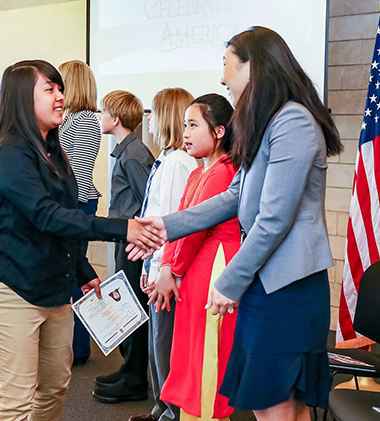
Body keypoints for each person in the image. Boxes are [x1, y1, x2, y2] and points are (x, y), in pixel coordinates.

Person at [133, 27, 343, 421]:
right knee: (274, 405)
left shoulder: (292, 122)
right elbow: (234, 197)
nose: (222, 78)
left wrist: (230, 280)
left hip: (287, 287)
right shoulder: (268, 123)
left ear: (254, 66)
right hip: (268, 283)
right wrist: (164, 226)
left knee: (275, 405)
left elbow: (274, 218)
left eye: (227, 64)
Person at [0, 60, 162, 421]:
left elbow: (62, 221)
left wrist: (82, 269)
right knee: (14, 402)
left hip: (54, 287)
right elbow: (45, 214)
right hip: (9, 287)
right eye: (50, 89)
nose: (61, 97)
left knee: (54, 389)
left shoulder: (54, 150)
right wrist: (124, 228)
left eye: (60, 89)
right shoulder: (8, 151)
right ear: (23, 99)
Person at [152, 94, 240, 421]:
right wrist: (166, 267)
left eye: (193, 125)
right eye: (184, 125)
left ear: (219, 132)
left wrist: (170, 270)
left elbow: (194, 231)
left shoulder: (222, 171)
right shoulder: (197, 172)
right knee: (191, 351)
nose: (185, 133)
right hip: (196, 267)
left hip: (215, 263)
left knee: (207, 355)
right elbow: (181, 223)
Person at [129, 87, 197, 421]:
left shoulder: (176, 164)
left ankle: (170, 412)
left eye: (153, 113)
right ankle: (161, 408)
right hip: (156, 264)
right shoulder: (167, 159)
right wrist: (146, 264)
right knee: (159, 342)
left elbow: (170, 223)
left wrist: (159, 269)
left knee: (164, 344)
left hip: (166, 269)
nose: (149, 121)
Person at [93, 90, 155, 403]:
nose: (99, 117)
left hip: (134, 244)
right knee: (126, 304)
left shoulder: (133, 155)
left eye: (103, 112)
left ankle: (134, 380)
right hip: (125, 240)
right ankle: (129, 367)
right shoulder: (126, 150)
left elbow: (150, 202)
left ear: (115, 119)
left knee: (133, 307)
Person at [59, 59, 101, 364]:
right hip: (68, 204)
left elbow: (81, 175)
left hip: (78, 204)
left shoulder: (85, 120)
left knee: (75, 271)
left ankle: (79, 348)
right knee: (69, 271)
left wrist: (64, 212)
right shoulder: (70, 118)